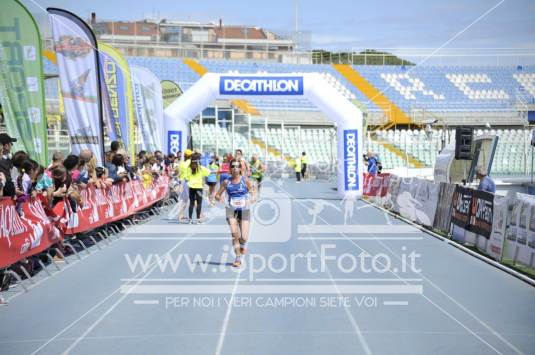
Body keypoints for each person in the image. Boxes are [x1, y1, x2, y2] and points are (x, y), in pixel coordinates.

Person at [216, 159, 253, 267]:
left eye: (237, 166)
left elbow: (253, 192)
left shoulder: (245, 180)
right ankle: (237, 258)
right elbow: (217, 195)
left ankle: (242, 244)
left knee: (244, 237)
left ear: (240, 169)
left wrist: (251, 198)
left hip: (244, 209)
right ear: (230, 169)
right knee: (234, 235)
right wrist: (220, 198)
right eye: (233, 166)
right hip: (230, 209)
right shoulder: (226, 182)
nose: (235, 168)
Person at [184, 153, 210, 224]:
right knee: (199, 203)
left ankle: (190, 219)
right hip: (198, 187)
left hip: (191, 187)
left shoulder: (189, 168)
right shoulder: (200, 167)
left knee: (191, 203)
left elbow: (186, 177)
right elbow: (208, 172)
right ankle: (198, 219)